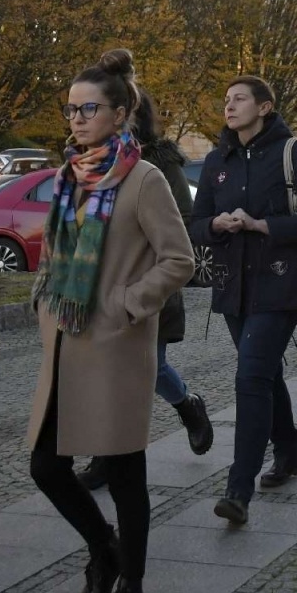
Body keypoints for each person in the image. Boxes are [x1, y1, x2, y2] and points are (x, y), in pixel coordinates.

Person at [27, 51, 194, 593]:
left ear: (120, 114)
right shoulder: (69, 175)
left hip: (117, 345)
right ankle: (104, 549)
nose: (76, 119)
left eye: (88, 109)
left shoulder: (143, 178)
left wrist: (129, 302)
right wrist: (46, 292)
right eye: (71, 109)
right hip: (66, 344)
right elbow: (54, 250)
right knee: (45, 465)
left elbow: (180, 258)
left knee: (126, 475)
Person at [191, 76, 297, 525]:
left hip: (279, 284)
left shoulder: (293, 153)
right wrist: (217, 224)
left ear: (265, 107)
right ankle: (288, 454)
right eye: (226, 100)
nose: (229, 107)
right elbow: (193, 225)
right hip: (233, 286)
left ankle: (239, 487)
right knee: (266, 374)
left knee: (250, 376)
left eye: (239, 99)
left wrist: (263, 226)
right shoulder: (218, 160)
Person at [76, 91, 215, 491]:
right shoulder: (90, 162)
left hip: (148, 285)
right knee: (105, 374)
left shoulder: (160, 163)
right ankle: (105, 456)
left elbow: (183, 226)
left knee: (149, 367)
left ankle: (188, 405)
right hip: (99, 289)